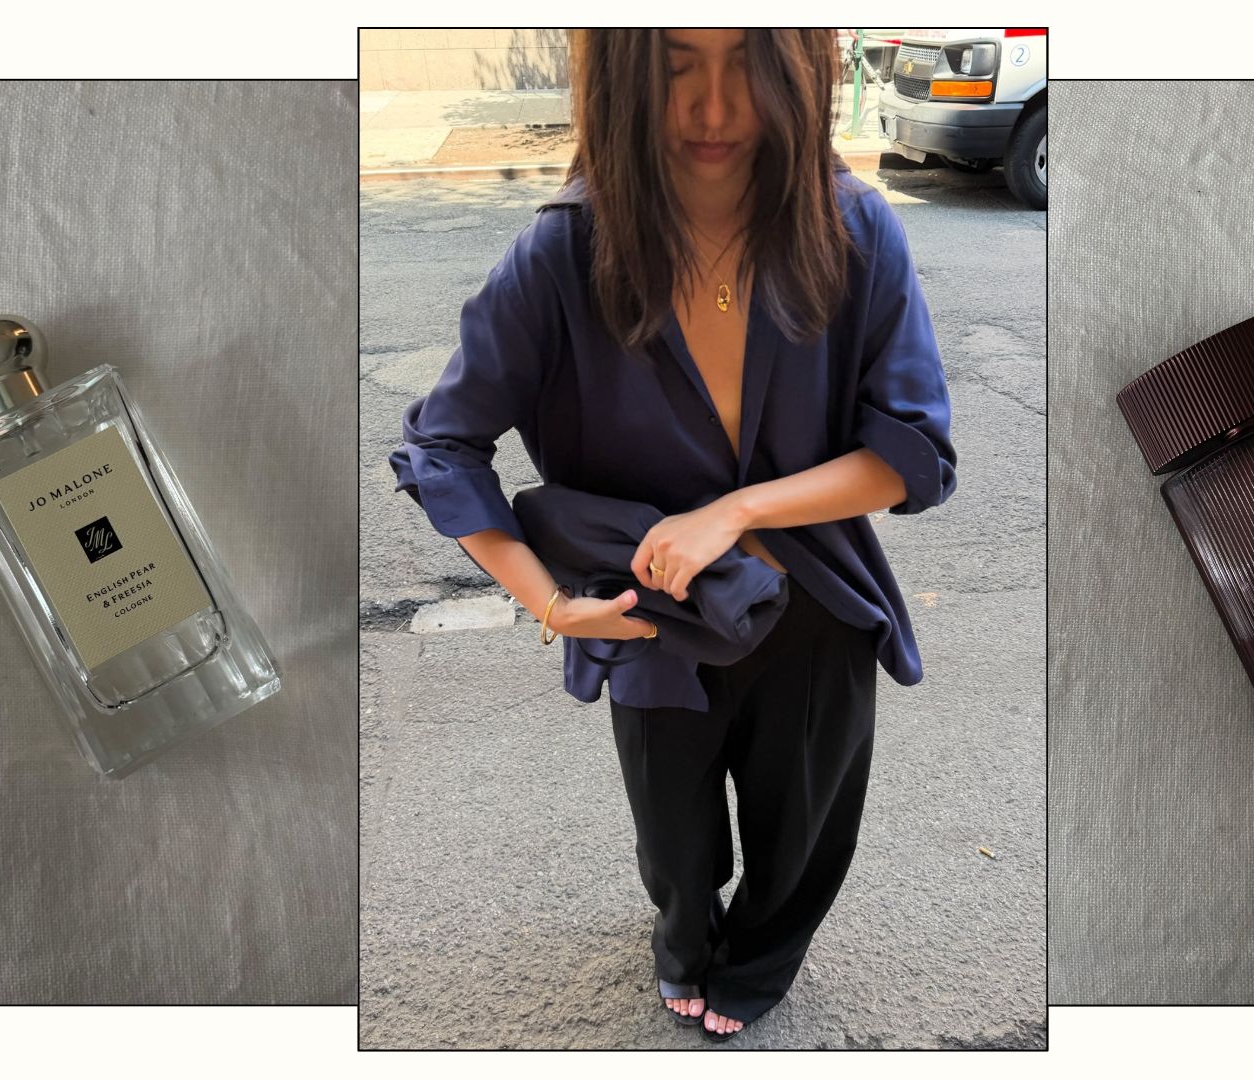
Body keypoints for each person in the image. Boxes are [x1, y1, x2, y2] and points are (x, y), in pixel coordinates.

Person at [388, 28, 956, 1041]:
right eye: (678, 62)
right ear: (623, 71)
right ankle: (684, 938)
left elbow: (913, 453)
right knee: (675, 844)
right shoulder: (562, 255)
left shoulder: (855, 229)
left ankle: (761, 963)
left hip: (815, 608)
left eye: (746, 58)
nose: (714, 106)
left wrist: (736, 510)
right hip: (654, 624)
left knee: (803, 832)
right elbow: (443, 443)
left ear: (801, 63)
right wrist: (554, 605)